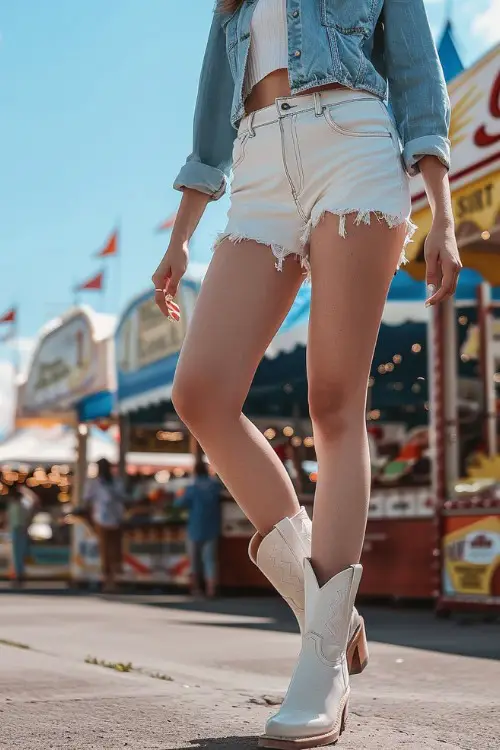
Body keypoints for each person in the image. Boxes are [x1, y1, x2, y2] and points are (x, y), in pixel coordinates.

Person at [152, 1, 461, 746]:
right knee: (201, 394)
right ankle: (328, 609)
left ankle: (322, 667)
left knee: (333, 403)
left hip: (353, 146)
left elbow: (419, 79)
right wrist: (182, 238)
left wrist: (442, 213)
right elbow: (207, 122)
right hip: (257, 168)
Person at [175, 461, 221, 598]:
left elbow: (179, 503)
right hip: (212, 526)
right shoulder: (215, 486)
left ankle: (195, 588)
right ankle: (211, 588)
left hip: (195, 527)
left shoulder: (192, 487)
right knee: (210, 559)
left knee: (194, 560)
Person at [82, 458, 125, 593]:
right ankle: (107, 580)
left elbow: (123, 497)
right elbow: (87, 500)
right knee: (105, 551)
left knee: (115, 551)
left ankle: (115, 579)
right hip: (102, 519)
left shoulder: (116, 482)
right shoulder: (94, 483)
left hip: (116, 519)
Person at [6, 482, 36, 586]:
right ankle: (17, 575)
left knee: (19, 554)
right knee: (16, 555)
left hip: (20, 530)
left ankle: (19, 575)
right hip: (16, 530)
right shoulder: (14, 504)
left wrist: (24, 490)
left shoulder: (22, 503)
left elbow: (34, 500)